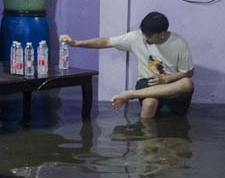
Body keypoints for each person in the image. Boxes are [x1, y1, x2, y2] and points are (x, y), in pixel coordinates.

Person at [59, 11, 194, 118]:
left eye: (150, 37)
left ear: (163, 34)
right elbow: (106, 42)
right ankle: (146, 145)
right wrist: (76, 43)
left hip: (171, 85)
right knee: (149, 103)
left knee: (187, 83)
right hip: (147, 82)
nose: (145, 39)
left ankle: (131, 94)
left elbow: (188, 72)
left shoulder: (179, 43)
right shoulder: (137, 37)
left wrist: (166, 79)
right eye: (144, 35)